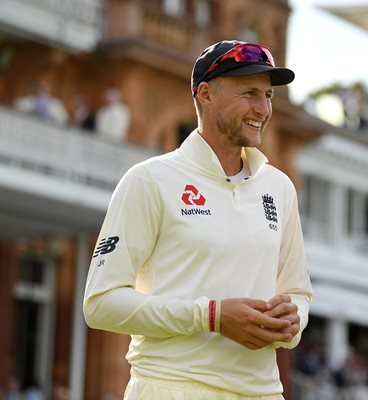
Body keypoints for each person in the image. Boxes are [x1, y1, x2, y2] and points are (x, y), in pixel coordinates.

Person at [83, 40, 313, 399]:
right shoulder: (150, 179)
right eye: (250, 93)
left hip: (263, 392)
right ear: (205, 93)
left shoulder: (279, 187)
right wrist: (211, 317)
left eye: (268, 95)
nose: (264, 108)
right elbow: (100, 304)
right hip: (171, 387)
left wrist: (292, 318)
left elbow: (297, 291)